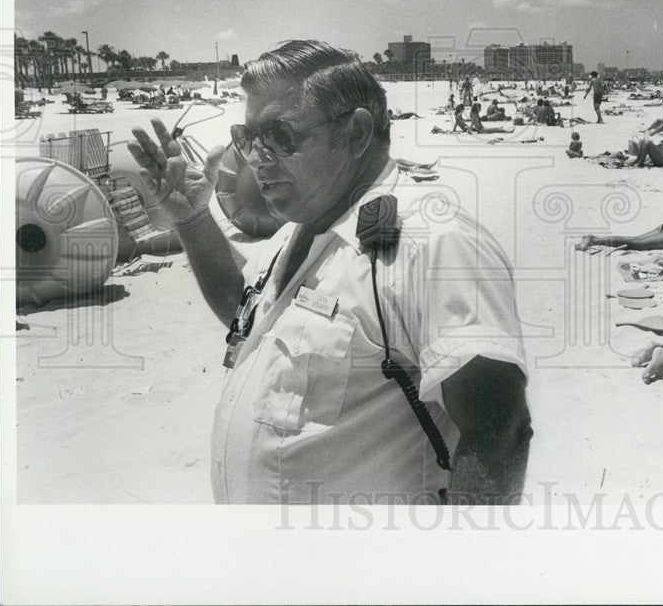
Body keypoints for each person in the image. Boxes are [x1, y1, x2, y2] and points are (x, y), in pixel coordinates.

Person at [127, 40, 531, 504]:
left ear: (356, 133)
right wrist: (194, 220)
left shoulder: (434, 241)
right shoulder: (302, 228)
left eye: (279, 135)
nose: (257, 157)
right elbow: (249, 320)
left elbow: (501, 431)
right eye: (247, 137)